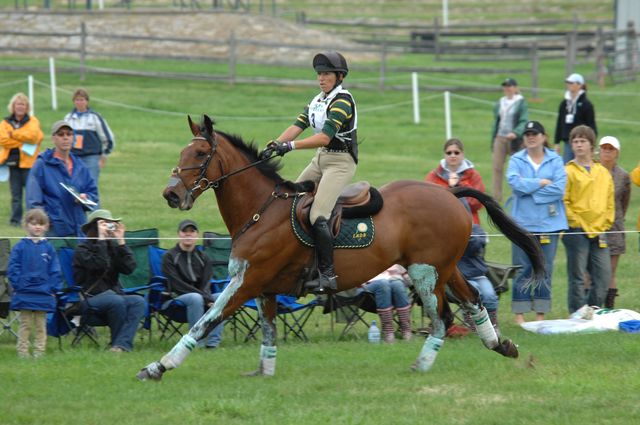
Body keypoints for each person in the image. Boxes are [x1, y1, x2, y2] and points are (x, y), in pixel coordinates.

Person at [259, 51, 358, 292]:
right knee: (287, 201)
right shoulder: (317, 101)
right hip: (320, 160)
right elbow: (298, 126)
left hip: (341, 163)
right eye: (319, 74)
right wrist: (273, 145)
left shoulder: (343, 100)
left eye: (326, 74)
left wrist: (289, 147)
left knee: (317, 216)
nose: (321, 78)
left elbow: (324, 137)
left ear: (339, 77)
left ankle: (328, 274)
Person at [506, 121, 568, 324]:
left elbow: (559, 188)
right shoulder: (516, 159)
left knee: (544, 268)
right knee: (522, 268)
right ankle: (520, 314)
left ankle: (541, 313)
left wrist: (530, 193)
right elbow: (515, 183)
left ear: (543, 136)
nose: (531, 137)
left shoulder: (556, 159)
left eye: (535, 133)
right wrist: (540, 183)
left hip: (549, 224)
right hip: (521, 224)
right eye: (527, 134)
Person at [73, 209, 145, 352]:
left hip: (114, 298)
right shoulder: (82, 250)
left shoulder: (113, 247)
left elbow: (129, 268)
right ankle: (117, 344)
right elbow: (100, 264)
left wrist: (121, 241)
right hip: (89, 300)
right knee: (116, 300)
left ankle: (120, 345)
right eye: (104, 224)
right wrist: (101, 240)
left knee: (138, 301)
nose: (109, 227)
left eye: (110, 224)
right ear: (94, 227)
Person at [562, 125, 613, 313]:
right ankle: (576, 312)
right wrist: (578, 223)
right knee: (577, 275)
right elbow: (564, 200)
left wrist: (604, 223)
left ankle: (593, 310)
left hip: (600, 231)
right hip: (576, 231)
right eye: (575, 142)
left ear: (591, 145)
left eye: (582, 141)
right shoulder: (568, 171)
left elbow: (609, 202)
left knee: (602, 276)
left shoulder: (603, 172)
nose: (578, 145)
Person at [25, 120, 98, 237]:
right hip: (53, 231)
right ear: (53, 138)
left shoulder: (80, 165)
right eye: (61, 134)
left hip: (79, 229)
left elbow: (93, 194)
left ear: (73, 138)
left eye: (69, 134)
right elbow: (33, 201)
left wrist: (85, 198)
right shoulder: (42, 164)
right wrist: (45, 223)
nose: (65, 138)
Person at [162, 219, 224, 349]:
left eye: (192, 231)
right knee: (195, 297)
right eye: (185, 231)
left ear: (197, 235)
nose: (188, 234)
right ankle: (196, 343)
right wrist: (205, 298)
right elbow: (177, 285)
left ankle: (213, 344)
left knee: (221, 298)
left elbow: (206, 283)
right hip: (175, 299)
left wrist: (207, 298)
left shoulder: (203, 257)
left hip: (202, 297)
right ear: (179, 234)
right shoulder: (169, 256)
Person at [8, 208, 61, 358]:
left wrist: (52, 288)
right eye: (34, 223)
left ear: (46, 226)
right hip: (25, 292)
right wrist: (19, 285)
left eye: (41, 224)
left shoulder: (48, 247)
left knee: (40, 325)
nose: (37, 227)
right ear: (26, 225)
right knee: (25, 324)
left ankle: (39, 352)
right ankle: (23, 352)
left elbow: (55, 270)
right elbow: (13, 268)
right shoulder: (20, 246)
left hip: (44, 293)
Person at [0, 93, 44, 227]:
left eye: (23, 104)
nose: (20, 107)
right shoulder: (5, 122)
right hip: (12, 163)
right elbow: (2, 139)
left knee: (31, 195)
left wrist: (14, 134)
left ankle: (33, 221)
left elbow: (34, 136)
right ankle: (15, 221)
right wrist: (22, 143)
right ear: (13, 106)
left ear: (27, 107)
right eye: (17, 104)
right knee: (16, 195)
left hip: (29, 163)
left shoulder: (33, 121)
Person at [598, 136, 630, 309]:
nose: (607, 152)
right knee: (592, 270)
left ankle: (609, 306)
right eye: (604, 148)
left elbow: (624, 200)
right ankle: (591, 305)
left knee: (610, 271)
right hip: (594, 226)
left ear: (617, 152)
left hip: (615, 226)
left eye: (611, 149)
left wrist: (618, 218)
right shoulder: (593, 171)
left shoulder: (623, 176)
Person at [425, 138, 486, 224]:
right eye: (449, 153)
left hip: (469, 223)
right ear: (444, 155)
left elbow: (477, 203)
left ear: (462, 154)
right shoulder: (434, 176)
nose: (453, 155)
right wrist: (448, 189)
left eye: (456, 152)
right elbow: (427, 201)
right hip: (439, 223)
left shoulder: (473, 175)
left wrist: (459, 186)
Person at [63, 88, 115, 186]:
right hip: (74, 158)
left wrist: (103, 157)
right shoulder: (68, 118)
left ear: (87, 101)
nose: (79, 102)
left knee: (90, 186)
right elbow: (63, 139)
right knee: (74, 187)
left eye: (82, 100)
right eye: (77, 100)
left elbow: (108, 139)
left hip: (91, 158)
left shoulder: (95, 117)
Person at [490, 77, 528, 203]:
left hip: (514, 140)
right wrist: (494, 137)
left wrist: (516, 132)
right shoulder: (500, 103)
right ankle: (496, 197)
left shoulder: (521, 102)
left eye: (510, 86)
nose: (507, 88)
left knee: (515, 169)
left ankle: (516, 195)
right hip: (500, 137)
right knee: (497, 167)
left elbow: (524, 120)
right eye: (505, 86)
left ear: (515, 88)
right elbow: (497, 121)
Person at [457, 223, 500, 333]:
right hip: (459, 277)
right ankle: (473, 325)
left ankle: (493, 325)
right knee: (474, 291)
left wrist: (466, 234)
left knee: (490, 295)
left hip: (478, 274)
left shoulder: (475, 228)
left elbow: (476, 247)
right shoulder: (446, 229)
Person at [362, 265, 412, 343]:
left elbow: (409, 280)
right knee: (383, 284)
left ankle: (406, 330)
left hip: (394, 284)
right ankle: (388, 332)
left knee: (398, 285)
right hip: (370, 290)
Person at [554, 73, 597, 164]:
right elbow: (560, 123)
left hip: (582, 142)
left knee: (582, 164)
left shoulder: (586, 104)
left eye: (571, 83)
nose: (569, 85)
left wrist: (592, 143)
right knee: (568, 166)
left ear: (579, 85)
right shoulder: (564, 103)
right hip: (567, 142)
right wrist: (557, 142)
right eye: (568, 83)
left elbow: (591, 124)